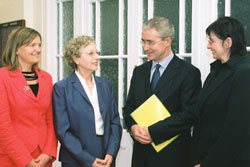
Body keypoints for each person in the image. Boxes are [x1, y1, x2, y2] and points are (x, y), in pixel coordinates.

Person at [123, 17, 201, 167]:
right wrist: (133, 127)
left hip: (173, 157)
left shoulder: (188, 73)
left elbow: (188, 115)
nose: (145, 48)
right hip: (141, 158)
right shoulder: (139, 72)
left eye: (150, 42)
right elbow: (129, 108)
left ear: (167, 41)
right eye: (143, 42)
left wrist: (152, 132)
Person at [53, 35, 122, 167]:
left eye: (97, 53)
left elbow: (115, 122)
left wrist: (111, 153)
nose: (96, 57)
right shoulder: (61, 88)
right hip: (76, 159)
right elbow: (63, 131)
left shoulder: (105, 85)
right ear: (76, 59)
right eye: (90, 53)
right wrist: (88, 160)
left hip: (106, 157)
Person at [192, 16, 250, 167]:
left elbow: (235, 130)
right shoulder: (216, 71)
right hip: (205, 157)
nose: (208, 46)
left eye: (211, 41)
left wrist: (208, 164)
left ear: (228, 43)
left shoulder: (245, 73)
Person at [0, 27, 57, 167]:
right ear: (17, 49)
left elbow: (51, 119)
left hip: (42, 157)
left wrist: (49, 152)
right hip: (12, 157)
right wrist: (25, 161)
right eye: (32, 45)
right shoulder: (3, 77)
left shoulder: (46, 78)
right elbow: (3, 125)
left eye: (39, 45)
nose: (38, 49)